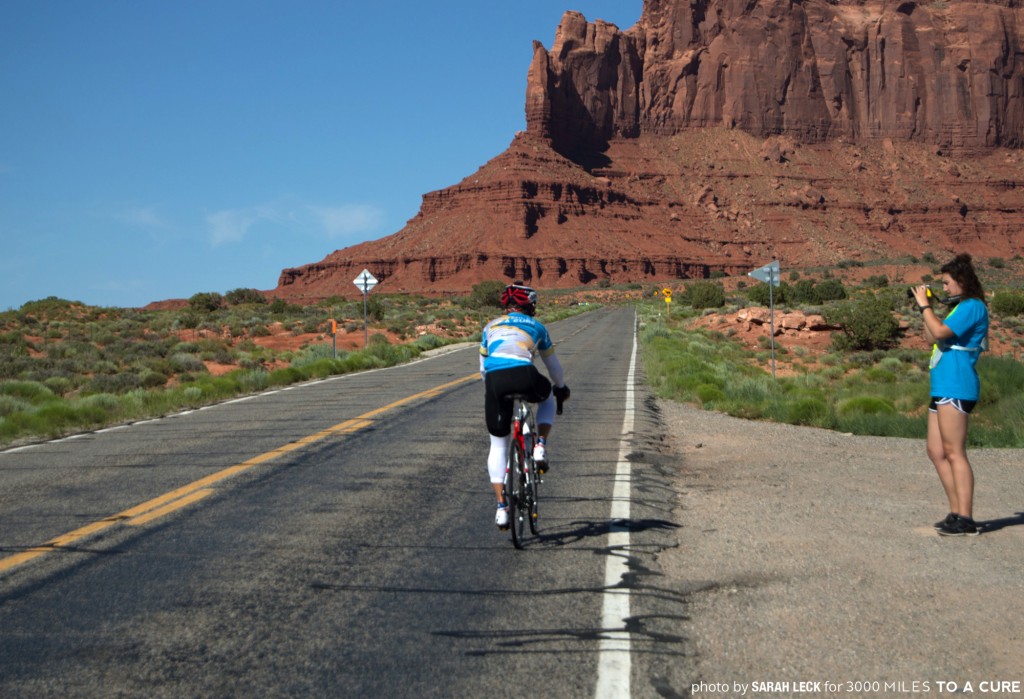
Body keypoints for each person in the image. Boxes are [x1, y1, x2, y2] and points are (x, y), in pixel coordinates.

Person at [479, 282, 570, 530]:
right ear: (529, 304)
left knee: (498, 444)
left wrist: (495, 391)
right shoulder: (537, 327)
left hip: (495, 382)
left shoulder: (490, 327)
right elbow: (554, 368)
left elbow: (482, 369)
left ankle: (501, 509)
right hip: (525, 375)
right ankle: (540, 445)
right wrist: (561, 387)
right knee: (548, 396)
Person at [911, 253, 989, 537]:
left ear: (961, 282)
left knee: (955, 452)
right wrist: (925, 309)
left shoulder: (972, 306)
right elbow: (932, 336)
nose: (944, 288)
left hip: (957, 385)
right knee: (936, 451)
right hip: (942, 385)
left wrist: (924, 306)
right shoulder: (958, 308)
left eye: (946, 283)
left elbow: (941, 330)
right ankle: (955, 512)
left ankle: (966, 518)